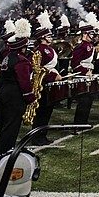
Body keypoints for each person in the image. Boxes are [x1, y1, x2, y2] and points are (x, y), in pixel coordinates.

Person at [0, 19, 37, 156]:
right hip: (14, 94)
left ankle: (2, 150)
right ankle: (6, 153)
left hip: (4, 91)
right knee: (12, 126)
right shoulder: (21, 61)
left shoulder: (8, 57)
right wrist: (30, 97)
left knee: (6, 125)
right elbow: (24, 82)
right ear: (22, 47)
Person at [30, 13, 61, 144]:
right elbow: (38, 68)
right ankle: (37, 137)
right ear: (42, 38)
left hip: (49, 83)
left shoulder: (48, 49)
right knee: (41, 111)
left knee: (47, 111)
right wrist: (54, 75)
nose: (50, 37)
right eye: (48, 36)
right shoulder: (40, 50)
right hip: (42, 83)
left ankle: (42, 135)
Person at [70, 15, 99, 125]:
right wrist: (84, 71)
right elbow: (74, 64)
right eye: (90, 34)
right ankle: (78, 124)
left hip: (88, 74)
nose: (93, 36)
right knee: (83, 101)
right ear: (84, 34)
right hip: (81, 75)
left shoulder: (90, 45)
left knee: (89, 100)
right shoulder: (81, 46)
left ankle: (84, 123)